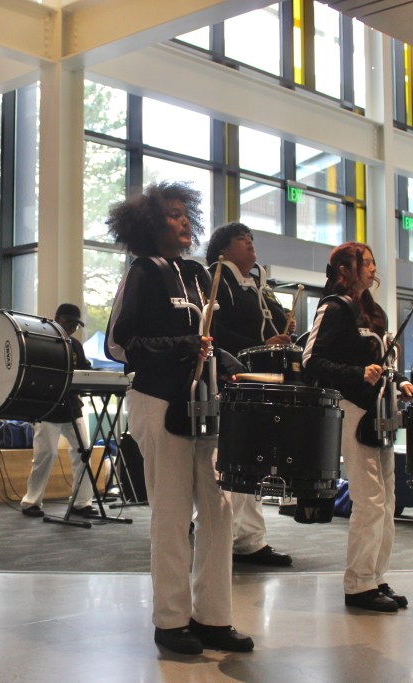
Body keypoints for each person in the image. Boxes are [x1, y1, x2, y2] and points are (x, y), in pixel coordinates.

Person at [106, 182, 253, 656]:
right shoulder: (142, 273)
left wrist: (226, 361)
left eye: (184, 213)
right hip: (158, 402)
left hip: (203, 404)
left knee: (219, 510)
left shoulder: (195, 274)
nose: (184, 220)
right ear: (150, 225)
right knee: (171, 516)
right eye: (172, 215)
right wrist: (180, 348)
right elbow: (118, 344)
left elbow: (205, 337)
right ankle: (170, 622)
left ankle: (213, 616)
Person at [299, 242, 413, 613]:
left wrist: (398, 383)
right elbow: (311, 359)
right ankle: (358, 583)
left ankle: (376, 576)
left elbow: (383, 362)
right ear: (344, 269)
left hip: (380, 412)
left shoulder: (373, 312)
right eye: (363, 262)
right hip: (351, 408)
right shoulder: (333, 308)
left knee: (387, 500)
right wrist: (356, 374)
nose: (371, 267)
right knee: (369, 501)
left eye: (371, 261)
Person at [205, 222, 293, 567]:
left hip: (254, 380)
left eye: (252, 239)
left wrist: (282, 329)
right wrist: (257, 344)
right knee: (227, 460)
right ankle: (226, 535)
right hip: (227, 378)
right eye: (243, 239)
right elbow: (212, 329)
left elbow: (269, 325)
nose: (250, 244)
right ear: (223, 250)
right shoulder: (215, 278)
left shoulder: (256, 284)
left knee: (250, 458)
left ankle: (249, 539)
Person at [20, 303, 99, 518]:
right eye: (69, 322)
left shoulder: (75, 344)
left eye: (75, 324)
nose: (72, 327)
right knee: (46, 453)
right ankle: (31, 501)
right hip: (48, 406)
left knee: (84, 453)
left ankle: (82, 503)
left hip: (72, 406)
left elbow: (83, 370)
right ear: (57, 319)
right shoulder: (42, 341)